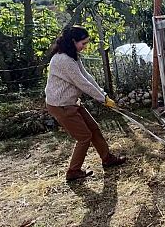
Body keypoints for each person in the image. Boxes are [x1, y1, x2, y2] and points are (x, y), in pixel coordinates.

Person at [45, 25, 125, 181]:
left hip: (71, 102)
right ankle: (73, 171)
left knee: (94, 128)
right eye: (83, 43)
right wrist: (102, 99)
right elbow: (82, 83)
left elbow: (87, 77)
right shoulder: (63, 60)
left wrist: (104, 95)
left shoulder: (72, 55)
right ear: (73, 41)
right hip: (61, 106)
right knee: (84, 137)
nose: (85, 46)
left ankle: (107, 158)